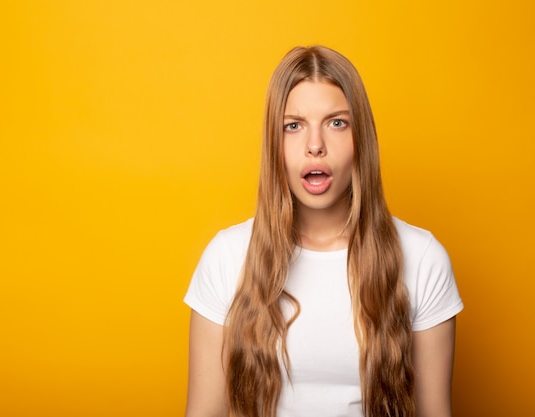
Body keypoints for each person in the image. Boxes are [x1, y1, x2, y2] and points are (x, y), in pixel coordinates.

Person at [183, 45, 463, 417]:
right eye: (293, 126)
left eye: (336, 123)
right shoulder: (227, 258)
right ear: (274, 144)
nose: (315, 145)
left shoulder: (422, 258)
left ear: (360, 139)